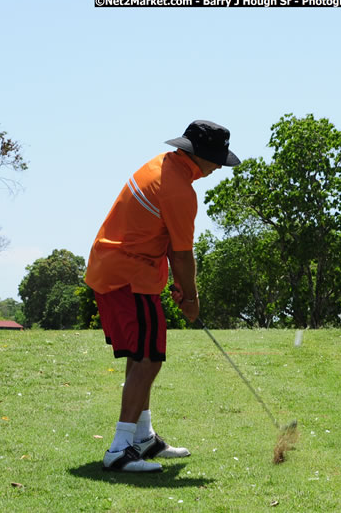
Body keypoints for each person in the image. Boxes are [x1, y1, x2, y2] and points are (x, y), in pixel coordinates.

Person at [85, 120, 240, 472]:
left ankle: (142, 438)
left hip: (118, 270)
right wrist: (192, 299)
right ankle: (119, 449)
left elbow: (165, 241)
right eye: (217, 159)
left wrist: (180, 286)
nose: (218, 167)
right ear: (198, 155)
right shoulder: (179, 190)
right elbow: (182, 255)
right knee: (148, 358)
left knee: (141, 354)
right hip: (127, 276)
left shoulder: (161, 166)